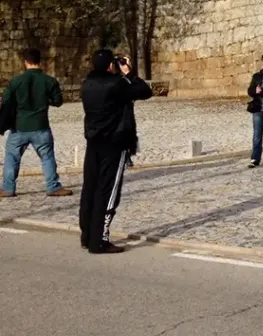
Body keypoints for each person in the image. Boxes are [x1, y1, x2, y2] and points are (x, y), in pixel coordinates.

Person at [80, 50, 152, 254]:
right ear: (111, 65)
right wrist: (129, 73)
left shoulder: (86, 84)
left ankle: (87, 235)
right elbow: (145, 91)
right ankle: (99, 240)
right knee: (108, 190)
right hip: (114, 142)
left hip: (93, 141)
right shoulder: (116, 85)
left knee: (90, 188)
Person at [0, 48, 72, 198]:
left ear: (25, 62)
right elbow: (58, 102)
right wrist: (46, 99)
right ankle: (53, 186)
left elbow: (5, 100)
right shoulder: (49, 81)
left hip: (19, 127)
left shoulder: (16, 81)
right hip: (41, 126)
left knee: (12, 157)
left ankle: (7, 188)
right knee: (47, 157)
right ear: (40, 61)